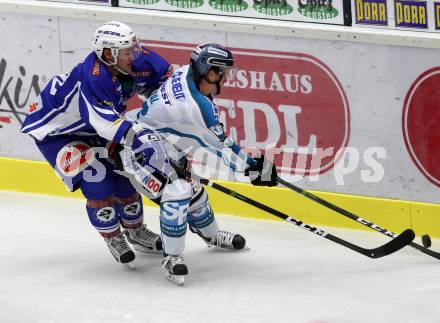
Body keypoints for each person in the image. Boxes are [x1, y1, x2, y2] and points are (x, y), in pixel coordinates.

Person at [20, 21, 172, 268]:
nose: (133, 56)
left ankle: (136, 231)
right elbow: (107, 126)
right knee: (98, 184)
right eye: (126, 52)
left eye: (133, 49)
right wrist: (143, 143)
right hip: (58, 134)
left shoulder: (137, 59)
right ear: (108, 54)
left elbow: (166, 88)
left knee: (125, 177)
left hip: (93, 125)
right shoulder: (93, 77)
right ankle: (113, 237)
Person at [133, 43, 278, 285]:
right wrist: (253, 168)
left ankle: (211, 236)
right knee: (177, 193)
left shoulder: (185, 73)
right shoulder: (197, 108)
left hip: (161, 141)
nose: (226, 77)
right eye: (223, 72)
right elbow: (222, 148)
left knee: (195, 193)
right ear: (210, 72)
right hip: (138, 147)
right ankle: (172, 258)